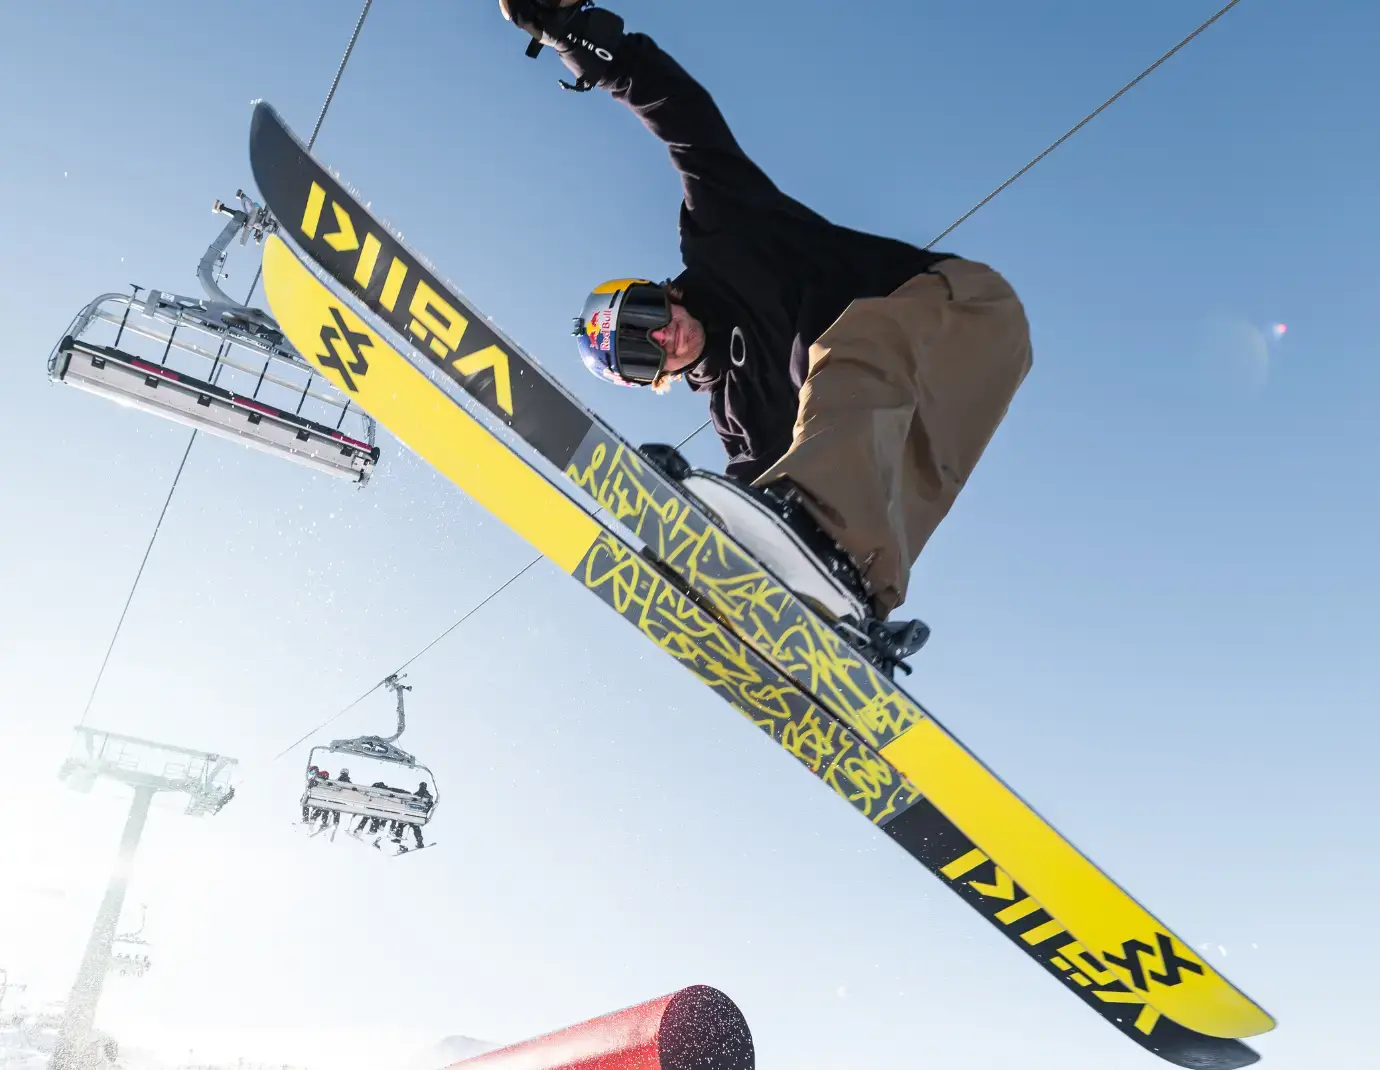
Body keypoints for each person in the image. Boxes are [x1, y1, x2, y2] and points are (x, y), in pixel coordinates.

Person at [499, 0, 1032, 632]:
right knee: (885, 479)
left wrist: (577, 38)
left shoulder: (725, 238)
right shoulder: (742, 420)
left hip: (963, 310)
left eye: (645, 314)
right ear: (657, 379)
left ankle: (829, 554)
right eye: (645, 355)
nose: (662, 336)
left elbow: (683, 118)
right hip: (942, 399)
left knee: (846, 355)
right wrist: (691, 559)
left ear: (662, 292)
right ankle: (850, 604)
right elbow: (753, 489)